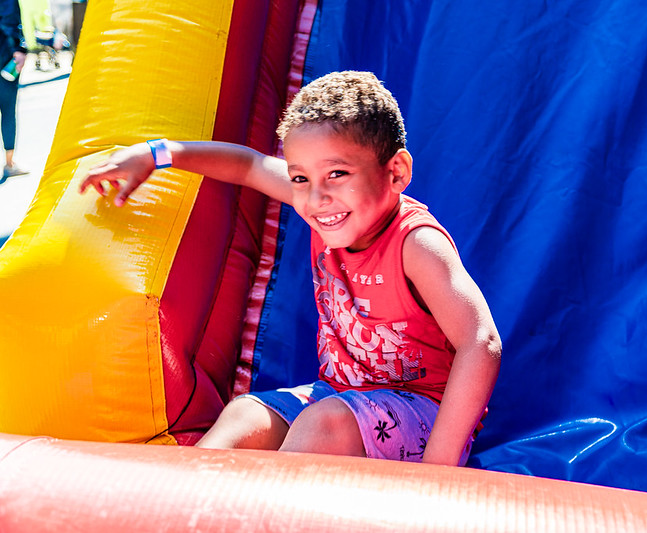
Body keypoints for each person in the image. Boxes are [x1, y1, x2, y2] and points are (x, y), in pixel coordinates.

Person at [80, 71, 502, 466]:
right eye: (300, 178)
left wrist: (439, 471)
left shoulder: (415, 243)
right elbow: (248, 165)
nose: (315, 198)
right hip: (340, 393)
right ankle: (177, 512)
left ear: (395, 172)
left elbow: (480, 342)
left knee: (323, 424)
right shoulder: (326, 207)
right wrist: (157, 154)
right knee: (243, 416)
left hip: (422, 411)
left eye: (337, 173)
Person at [0, 0, 26, 181]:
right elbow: (9, 19)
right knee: (8, 110)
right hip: (4, 55)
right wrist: (18, 49)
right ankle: (9, 164)